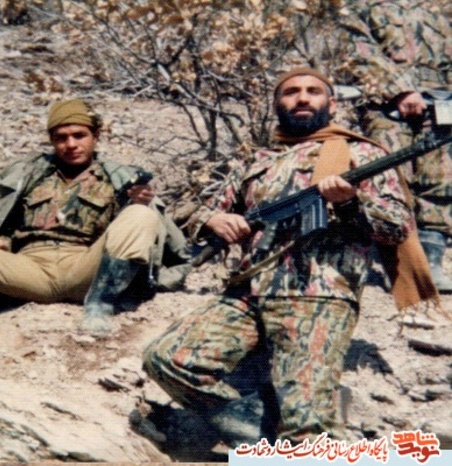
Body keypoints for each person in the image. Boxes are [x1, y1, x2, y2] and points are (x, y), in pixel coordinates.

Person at [143, 68, 439, 447]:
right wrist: (213, 219)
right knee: (165, 360)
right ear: (276, 104)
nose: (302, 97)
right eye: (291, 91)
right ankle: (262, 429)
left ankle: (295, 435)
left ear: (332, 104)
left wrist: (349, 204)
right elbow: (190, 211)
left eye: (313, 91)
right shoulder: (257, 160)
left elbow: (396, 227)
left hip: (319, 296)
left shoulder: (363, 154)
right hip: (247, 293)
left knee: (306, 425)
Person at [0, 98, 190, 354]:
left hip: (86, 270)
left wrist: (138, 203)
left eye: (79, 135)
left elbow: (139, 236)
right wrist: (2, 243)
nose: (71, 144)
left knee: (141, 215)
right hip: (31, 269)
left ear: (96, 136)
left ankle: (100, 306)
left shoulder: (121, 179)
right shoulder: (27, 173)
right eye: (61, 137)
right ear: (51, 140)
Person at [337, 0, 452, 292]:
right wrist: (400, 89)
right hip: (386, 104)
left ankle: (431, 262)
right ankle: (399, 265)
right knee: (391, 178)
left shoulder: (434, 10)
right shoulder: (360, 6)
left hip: (439, 103)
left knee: (440, 179)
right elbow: (357, 50)